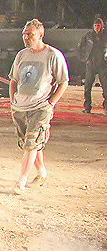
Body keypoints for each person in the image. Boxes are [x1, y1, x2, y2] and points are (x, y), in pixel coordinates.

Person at [9, 19, 69, 194]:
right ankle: (41, 172)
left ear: (40, 35)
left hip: (41, 106)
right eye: (24, 34)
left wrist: (51, 103)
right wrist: (13, 99)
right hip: (20, 106)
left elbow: (63, 82)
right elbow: (13, 79)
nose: (26, 38)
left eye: (30, 34)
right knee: (30, 142)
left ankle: (22, 181)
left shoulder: (53, 55)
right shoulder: (21, 55)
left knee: (31, 143)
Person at [81, 17, 107, 113]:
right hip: (91, 64)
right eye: (95, 26)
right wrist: (84, 59)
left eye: (99, 26)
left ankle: (106, 107)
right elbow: (79, 47)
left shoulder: (105, 36)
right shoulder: (88, 36)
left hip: (103, 65)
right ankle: (87, 107)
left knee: (106, 87)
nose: (97, 28)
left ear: (102, 26)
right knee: (87, 87)